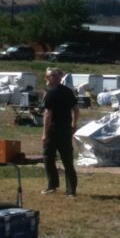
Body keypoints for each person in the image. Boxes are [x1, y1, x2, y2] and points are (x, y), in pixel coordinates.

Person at [41, 67, 79, 196]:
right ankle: (71, 190)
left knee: (48, 157)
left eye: (48, 76)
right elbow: (76, 109)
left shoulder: (50, 93)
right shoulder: (68, 91)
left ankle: (52, 185)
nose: (46, 78)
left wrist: (45, 133)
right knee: (67, 160)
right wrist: (74, 123)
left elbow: (48, 114)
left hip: (53, 130)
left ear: (54, 78)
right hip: (66, 129)